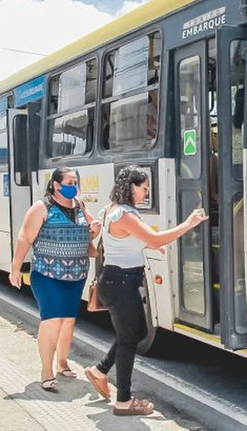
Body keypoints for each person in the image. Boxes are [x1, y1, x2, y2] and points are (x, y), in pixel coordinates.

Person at [84, 166, 208, 416]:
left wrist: (151, 245)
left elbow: (130, 240)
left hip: (119, 281)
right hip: (120, 283)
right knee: (130, 339)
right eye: (143, 188)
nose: (145, 193)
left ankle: (100, 370)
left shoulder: (111, 209)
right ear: (131, 187)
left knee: (135, 332)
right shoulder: (125, 215)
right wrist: (188, 223)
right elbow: (155, 239)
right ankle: (123, 401)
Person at [8, 167, 100, 391]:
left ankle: (62, 363)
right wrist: (16, 268)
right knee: (52, 319)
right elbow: (25, 237)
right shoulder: (41, 207)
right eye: (69, 182)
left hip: (76, 273)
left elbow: (89, 231)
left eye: (75, 182)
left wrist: (94, 230)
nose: (73, 186)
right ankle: (46, 371)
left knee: (68, 319)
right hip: (47, 273)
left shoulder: (79, 205)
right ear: (56, 184)